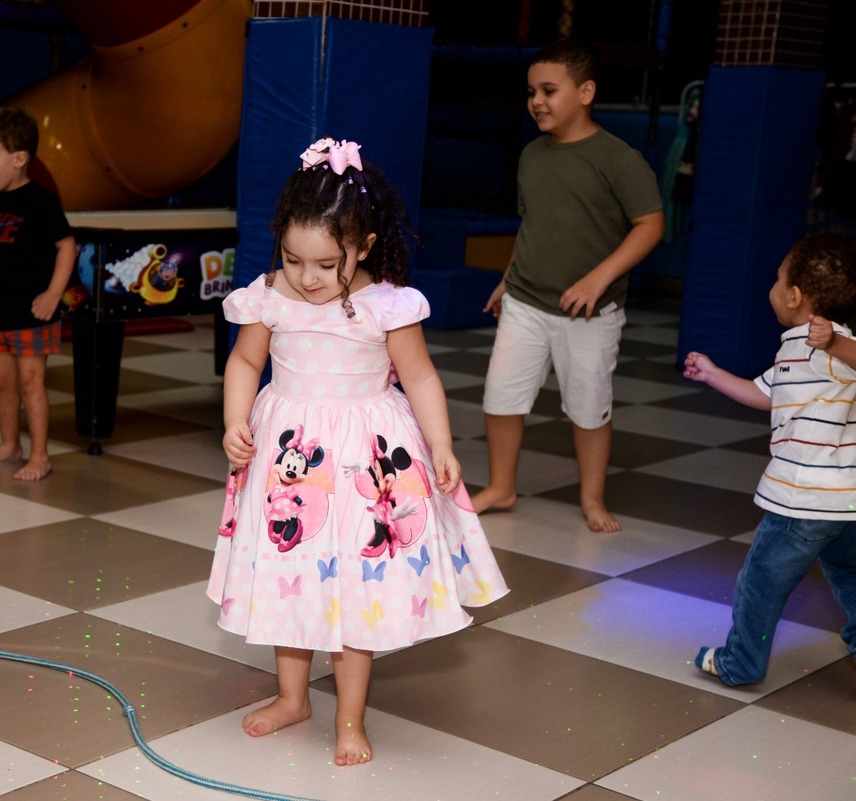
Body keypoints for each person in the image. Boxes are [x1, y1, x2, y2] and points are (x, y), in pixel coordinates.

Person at [208, 137, 509, 766]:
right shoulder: (270, 294)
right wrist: (236, 418)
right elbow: (245, 361)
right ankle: (292, 698)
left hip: (365, 462)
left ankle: (350, 717)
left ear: (364, 246)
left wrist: (442, 443)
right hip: (290, 460)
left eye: (325, 264)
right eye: (294, 259)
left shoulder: (387, 305)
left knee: (352, 586)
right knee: (290, 575)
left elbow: (419, 376)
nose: (307, 278)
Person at [472, 40, 665, 533]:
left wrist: (598, 279)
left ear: (585, 92)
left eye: (549, 90)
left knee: (587, 407)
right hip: (525, 302)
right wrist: (507, 280)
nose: (537, 101)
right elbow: (532, 226)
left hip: (590, 316)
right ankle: (501, 487)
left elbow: (650, 225)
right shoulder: (532, 156)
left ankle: (592, 498)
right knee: (500, 396)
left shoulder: (618, 159)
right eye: (531, 92)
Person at [682, 233, 856, 686]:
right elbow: (765, 394)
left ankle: (740, 662)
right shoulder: (794, 346)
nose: (771, 287)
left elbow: (848, 355)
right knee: (849, 575)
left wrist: (835, 344)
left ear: (795, 296)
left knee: (761, 581)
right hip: (843, 503)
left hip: (802, 502)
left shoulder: (833, 346)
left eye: (778, 280)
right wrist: (714, 374)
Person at [0, 108, 75, 482]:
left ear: (19, 159)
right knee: (3, 381)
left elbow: (66, 246)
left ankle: (40, 454)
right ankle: (10, 444)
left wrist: (53, 294)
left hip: (31, 313)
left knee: (30, 383)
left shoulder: (39, 201)